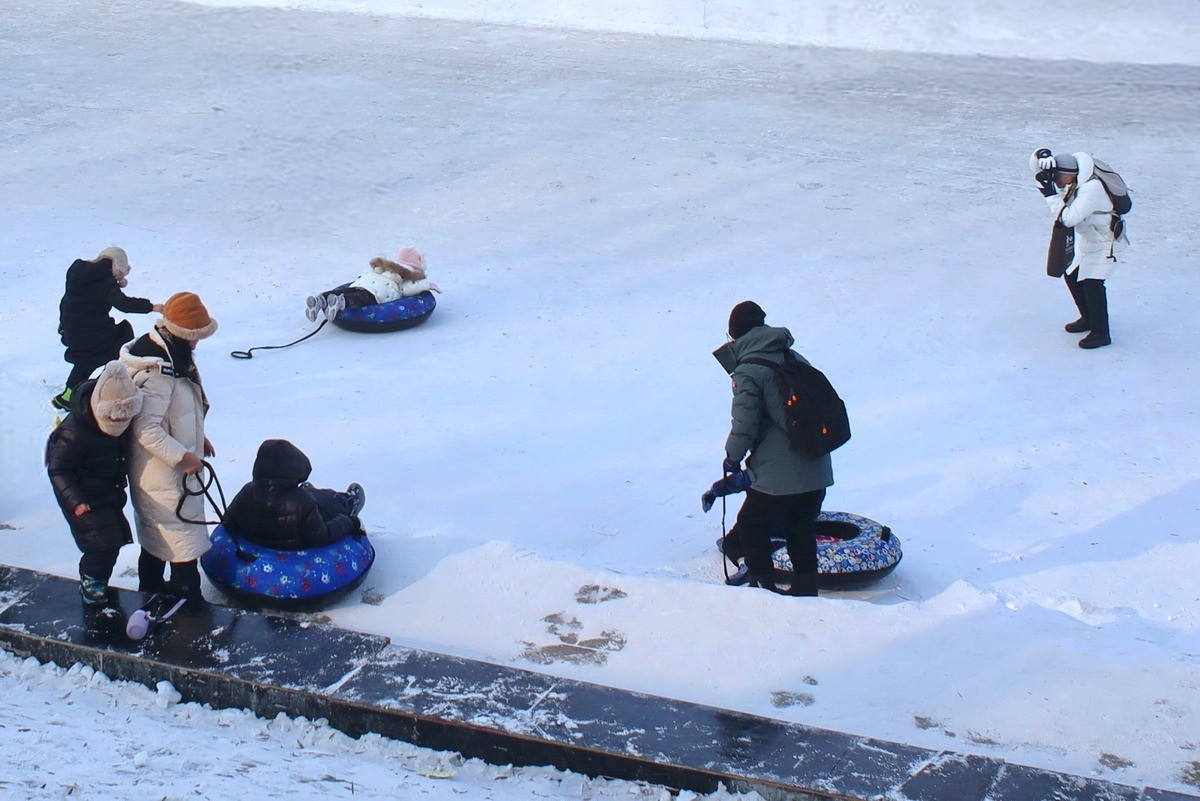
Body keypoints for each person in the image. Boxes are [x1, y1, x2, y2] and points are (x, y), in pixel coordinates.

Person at [713, 301, 834, 596]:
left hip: (779, 477)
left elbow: (745, 424)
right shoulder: (793, 357)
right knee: (800, 527)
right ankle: (807, 591)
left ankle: (763, 591)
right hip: (816, 466)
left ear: (735, 335)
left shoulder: (749, 370)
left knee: (751, 525)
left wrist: (732, 458)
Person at [119, 292, 218, 601]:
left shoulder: (170, 356)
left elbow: (174, 413)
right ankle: (188, 604)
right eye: (196, 335)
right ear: (182, 333)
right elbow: (146, 428)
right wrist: (183, 455)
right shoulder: (159, 373)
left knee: (157, 541)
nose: (197, 342)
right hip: (165, 478)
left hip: (164, 474)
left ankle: (150, 594)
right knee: (181, 543)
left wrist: (198, 437)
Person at [45, 361, 144, 605]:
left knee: (113, 540)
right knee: (101, 543)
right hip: (81, 495)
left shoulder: (121, 421)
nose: (119, 424)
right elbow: (58, 468)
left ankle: (97, 579)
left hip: (107, 489)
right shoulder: (76, 431)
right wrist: (75, 500)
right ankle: (91, 582)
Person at [1031, 150, 1127, 349]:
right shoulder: (1077, 180)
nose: (1056, 181)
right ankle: (1088, 318)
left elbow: (1068, 219)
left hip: (1105, 242)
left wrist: (1050, 195)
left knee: (1093, 283)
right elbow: (1035, 167)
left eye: (1058, 176)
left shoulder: (1092, 189)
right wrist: (1041, 155)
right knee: (1072, 274)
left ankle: (1101, 333)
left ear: (1069, 173)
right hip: (1089, 239)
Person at [55, 246, 164, 411]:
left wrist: (116, 283)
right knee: (122, 341)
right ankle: (101, 387)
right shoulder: (106, 283)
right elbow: (124, 304)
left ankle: (68, 395)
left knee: (86, 359)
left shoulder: (77, 272)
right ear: (117, 268)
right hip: (91, 332)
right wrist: (153, 307)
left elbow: (78, 297)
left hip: (72, 329)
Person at [222, 439, 366, 550]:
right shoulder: (301, 502)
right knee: (325, 504)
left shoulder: (246, 492)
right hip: (294, 548)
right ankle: (348, 503)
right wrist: (350, 522)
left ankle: (310, 489)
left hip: (259, 544)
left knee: (308, 494)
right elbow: (321, 536)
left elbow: (228, 520)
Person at [305, 247, 441, 322]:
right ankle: (341, 302)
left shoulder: (386, 266)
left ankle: (320, 299)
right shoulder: (408, 275)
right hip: (378, 292)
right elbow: (410, 288)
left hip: (363, 282)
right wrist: (427, 285)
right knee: (360, 298)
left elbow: (374, 271)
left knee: (349, 290)